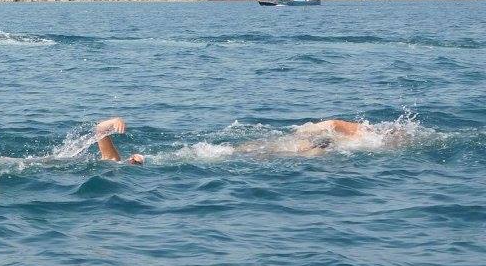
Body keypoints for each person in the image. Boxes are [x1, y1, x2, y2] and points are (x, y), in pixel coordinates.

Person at [94, 116, 370, 165]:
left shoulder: (112, 162)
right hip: (229, 155)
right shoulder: (115, 164)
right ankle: (321, 142)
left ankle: (322, 139)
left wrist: (113, 121)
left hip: (222, 153)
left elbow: (99, 132)